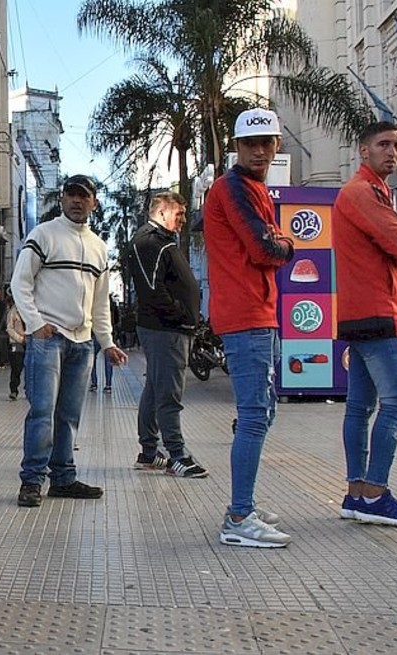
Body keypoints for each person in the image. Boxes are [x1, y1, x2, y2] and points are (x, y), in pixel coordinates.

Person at [204, 108, 295, 548]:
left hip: (257, 314)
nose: (259, 150)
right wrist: (288, 244)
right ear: (236, 147)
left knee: (262, 412)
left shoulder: (251, 188)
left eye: (267, 142)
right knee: (256, 415)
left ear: (277, 145)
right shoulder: (234, 188)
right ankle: (239, 516)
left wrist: (279, 244)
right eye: (250, 143)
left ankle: (245, 505)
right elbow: (265, 249)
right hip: (247, 316)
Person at [13, 174, 127, 508]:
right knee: (43, 412)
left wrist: (106, 342)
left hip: (82, 343)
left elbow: (100, 301)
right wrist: (35, 324)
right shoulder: (44, 234)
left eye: (84, 196)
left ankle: (63, 478)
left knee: (69, 414)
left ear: (94, 202)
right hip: (48, 339)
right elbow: (20, 282)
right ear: (62, 199)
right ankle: (32, 481)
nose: (78, 201)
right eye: (72, 195)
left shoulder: (98, 247)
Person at [333, 121, 397, 527]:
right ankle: (375, 493)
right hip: (380, 313)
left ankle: (356, 494)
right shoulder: (362, 192)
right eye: (383, 144)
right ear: (363, 150)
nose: (393, 152)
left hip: (358, 313)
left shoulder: (368, 192)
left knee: (359, 407)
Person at [127, 191, 208, 479]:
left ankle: (149, 452)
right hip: (165, 329)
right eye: (180, 213)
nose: (184, 220)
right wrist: (182, 315)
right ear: (161, 212)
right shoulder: (150, 242)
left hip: (168, 328)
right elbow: (152, 289)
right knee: (169, 393)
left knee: (156, 388)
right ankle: (178, 456)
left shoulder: (161, 242)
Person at [5, 292, 26, 401]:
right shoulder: (13, 312)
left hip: (32, 342)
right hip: (16, 343)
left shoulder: (31, 310)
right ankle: (13, 390)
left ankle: (29, 390)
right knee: (16, 368)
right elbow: (9, 328)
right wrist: (21, 339)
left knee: (31, 368)